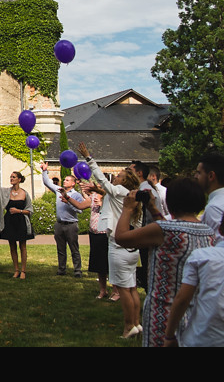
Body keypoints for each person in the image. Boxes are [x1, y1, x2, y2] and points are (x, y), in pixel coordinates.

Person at [114, 177, 214, 347]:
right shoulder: (208, 230)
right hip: (198, 311)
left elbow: (122, 238)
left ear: (172, 201)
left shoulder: (164, 230)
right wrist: (152, 208)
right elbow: (168, 228)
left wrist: (127, 209)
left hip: (164, 311)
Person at [79, 141, 143, 339]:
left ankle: (128, 327)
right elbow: (107, 191)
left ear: (125, 182)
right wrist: (98, 190)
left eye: (119, 176)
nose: (115, 177)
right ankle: (137, 324)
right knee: (131, 287)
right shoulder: (130, 195)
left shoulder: (119, 191)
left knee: (124, 290)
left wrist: (89, 157)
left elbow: (102, 179)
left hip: (118, 245)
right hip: (133, 249)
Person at [163, 206, 224, 347]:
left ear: (221, 230)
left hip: (200, 338)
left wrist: (169, 335)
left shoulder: (201, 256)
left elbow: (182, 299)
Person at [42, 163, 89, 277]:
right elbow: (47, 183)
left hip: (71, 225)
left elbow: (80, 210)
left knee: (74, 248)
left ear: (73, 183)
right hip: (59, 224)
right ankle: (61, 269)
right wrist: (44, 171)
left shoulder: (76, 195)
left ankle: (77, 270)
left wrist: (68, 202)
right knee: (60, 249)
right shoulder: (59, 190)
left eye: (67, 180)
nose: (64, 181)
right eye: (64, 180)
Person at [0, 170, 34, 279]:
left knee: (22, 246)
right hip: (9, 221)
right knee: (12, 246)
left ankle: (23, 271)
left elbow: (30, 210)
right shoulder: (6, 192)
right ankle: (16, 270)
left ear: (19, 179)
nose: (11, 179)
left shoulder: (24, 193)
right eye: (10, 177)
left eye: (13, 177)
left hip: (21, 221)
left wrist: (19, 211)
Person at [81, 181, 114, 300]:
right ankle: (103, 290)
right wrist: (67, 197)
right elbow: (81, 205)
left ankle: (116, 291)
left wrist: (102, 204)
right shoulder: (93, 197)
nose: (97, 188)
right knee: (99, 264)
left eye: (100, 186)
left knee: (109, 263)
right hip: (94, 233)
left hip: (105, 233)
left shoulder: (110, 198)